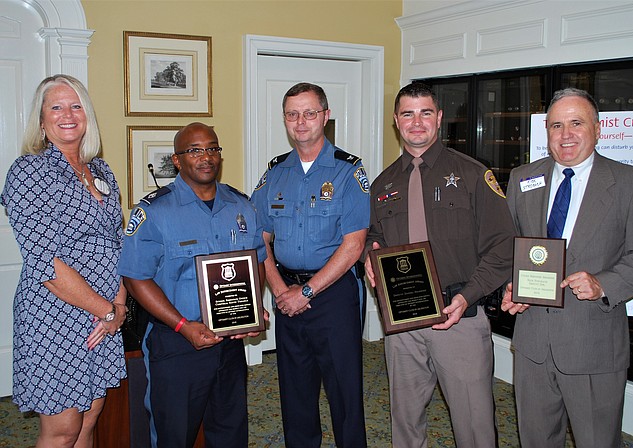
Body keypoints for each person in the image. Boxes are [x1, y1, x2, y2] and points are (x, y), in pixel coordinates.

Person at [501, 87, 633, 448]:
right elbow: (511, 248)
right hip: (533, 345)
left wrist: (604, 283)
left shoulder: (630, 183)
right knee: (536, 439)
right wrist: (510, 287)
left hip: (594, 345)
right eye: (556, 126)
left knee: (597, 441)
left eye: (576, 123)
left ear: (597, 128)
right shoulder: (523, 179)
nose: (565, 135)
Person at [364, 82, 516, 448]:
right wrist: (370, 253)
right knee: (405, 420)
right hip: (403, 323)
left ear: (440, 118)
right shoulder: (383, 183)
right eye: (407, 114)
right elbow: (374, 234)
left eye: (425, 113)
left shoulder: (472, 175)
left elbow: (503, 247)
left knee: (475, 425)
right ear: (396, 123)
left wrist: (466, 297)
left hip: (459, 318)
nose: (417, 122)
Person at [118, 122, 267, 448]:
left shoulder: (241, 205)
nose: (206, 157)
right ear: (177, 160)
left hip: (229, 343)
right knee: (174, 435)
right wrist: (183, 326)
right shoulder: (154, 212)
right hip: (176, 344)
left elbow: (256, 259)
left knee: (230, 430)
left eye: (212, 148)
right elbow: (134, 277)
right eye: (195, 150)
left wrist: (253, 308)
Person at [0, 74, 127, 448]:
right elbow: (44, 262)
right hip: (56, 315)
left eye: (75, 106)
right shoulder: (28, 173)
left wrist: (119, 307)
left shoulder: (101, 172)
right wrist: (105, 310)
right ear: (41, 121)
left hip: (103, 315)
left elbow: (117, 244)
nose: (67, 114)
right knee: (62, 430)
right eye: (55, 107)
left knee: (89, 422)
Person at [251, 82, 369, 447]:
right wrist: (278, 289)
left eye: (309, 113)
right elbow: (261, 239)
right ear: (285, 119)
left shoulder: (349, 171)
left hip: (333, 296)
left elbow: (354, 246)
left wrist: (307, 291)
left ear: (325, 116)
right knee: (294, 387)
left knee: (344, 390)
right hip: (285, 293)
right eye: (292, 114)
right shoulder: (274, 175)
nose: (300, 122)